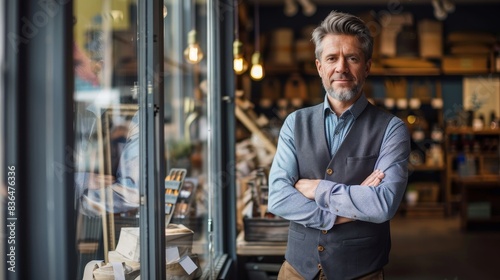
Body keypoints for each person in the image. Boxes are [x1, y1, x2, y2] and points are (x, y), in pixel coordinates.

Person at [267, 11, 410, 280]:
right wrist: (342, 213)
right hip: (296, 271)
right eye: (332, 58)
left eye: (352, 58)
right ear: (320, 66)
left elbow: (383, 204)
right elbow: (278, 198)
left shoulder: (392, 129)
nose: (341, 68)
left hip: (361, 272)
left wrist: (317, 188)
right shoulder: (294, 123)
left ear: (367, 66)